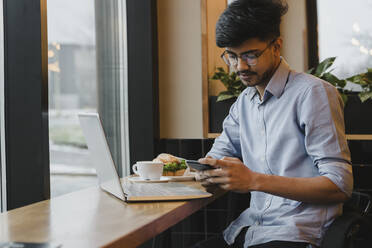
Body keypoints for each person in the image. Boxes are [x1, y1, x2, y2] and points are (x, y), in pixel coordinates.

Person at [194, 0, 353, 247]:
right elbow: (217, 157)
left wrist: (253, 180)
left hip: (297, 235)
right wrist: (206, 172)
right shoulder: (244, 103)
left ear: (276, 46)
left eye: (250, 55)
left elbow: (340, 186)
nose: (240, 67)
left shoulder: (313, 93)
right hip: (249, 229)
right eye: (232, 57)